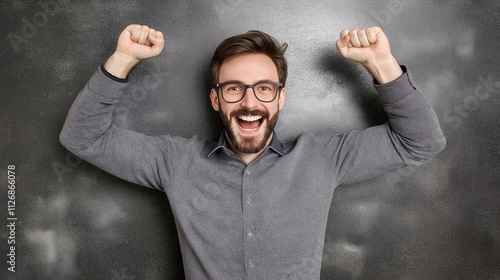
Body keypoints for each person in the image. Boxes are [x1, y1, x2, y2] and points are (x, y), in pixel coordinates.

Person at [60, 24, 446, 279]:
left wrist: (381, 64)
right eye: (234, 88)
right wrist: (124, 59)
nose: (249, 102)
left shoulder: (323, 159)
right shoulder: (174, 162)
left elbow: (421, 141)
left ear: (280, 99)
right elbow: (83, 138)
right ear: (216, 99)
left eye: (264, 88)